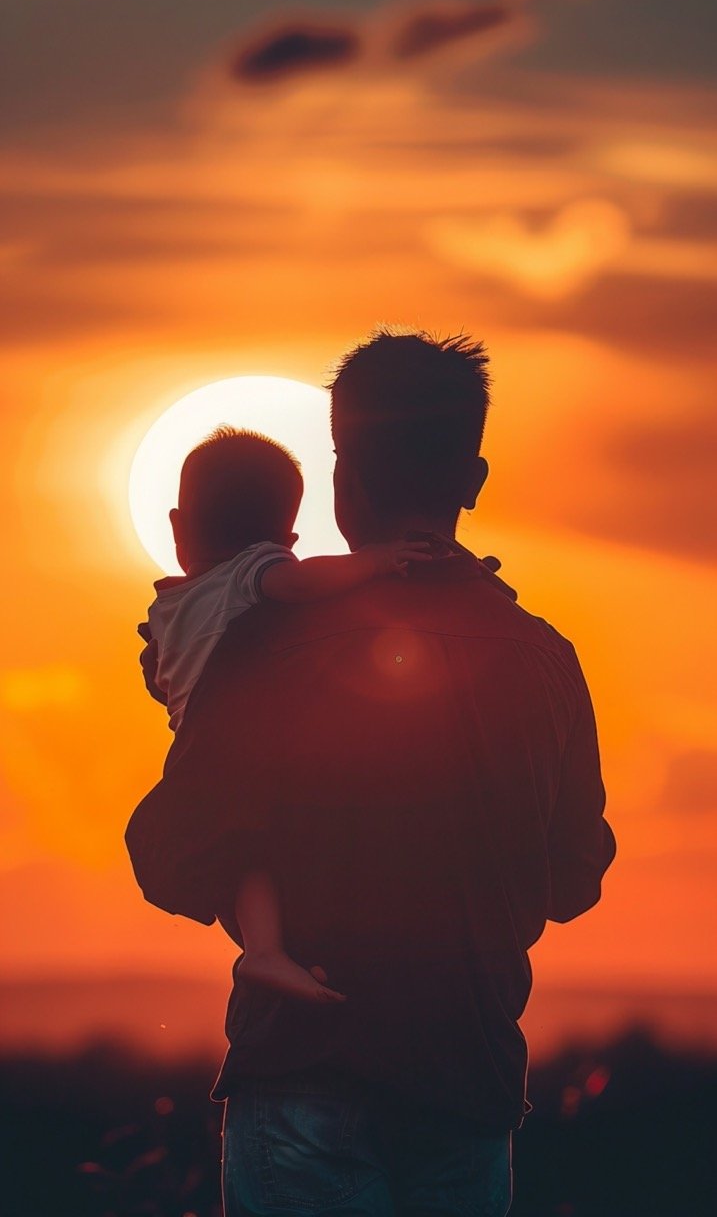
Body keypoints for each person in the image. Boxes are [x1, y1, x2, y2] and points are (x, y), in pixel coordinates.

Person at [127, 329, 616, 1217]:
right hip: (466, 1077)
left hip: (305, 1069)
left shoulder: (268, 643)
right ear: (471, 480)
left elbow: (175, 856)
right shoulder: (545, 661)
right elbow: (574, 876)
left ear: (342, 475)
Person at [138, 424, 430, 1005]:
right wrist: (372, 563)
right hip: (237, 750)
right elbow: (298, 585)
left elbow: (159, 679)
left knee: (240, 861)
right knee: (258, 849)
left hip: (193, 754)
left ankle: (263, 951)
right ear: (287, 536)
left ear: (176, 528)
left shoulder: (168, 604)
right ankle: (267, 954)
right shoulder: (255, 571)